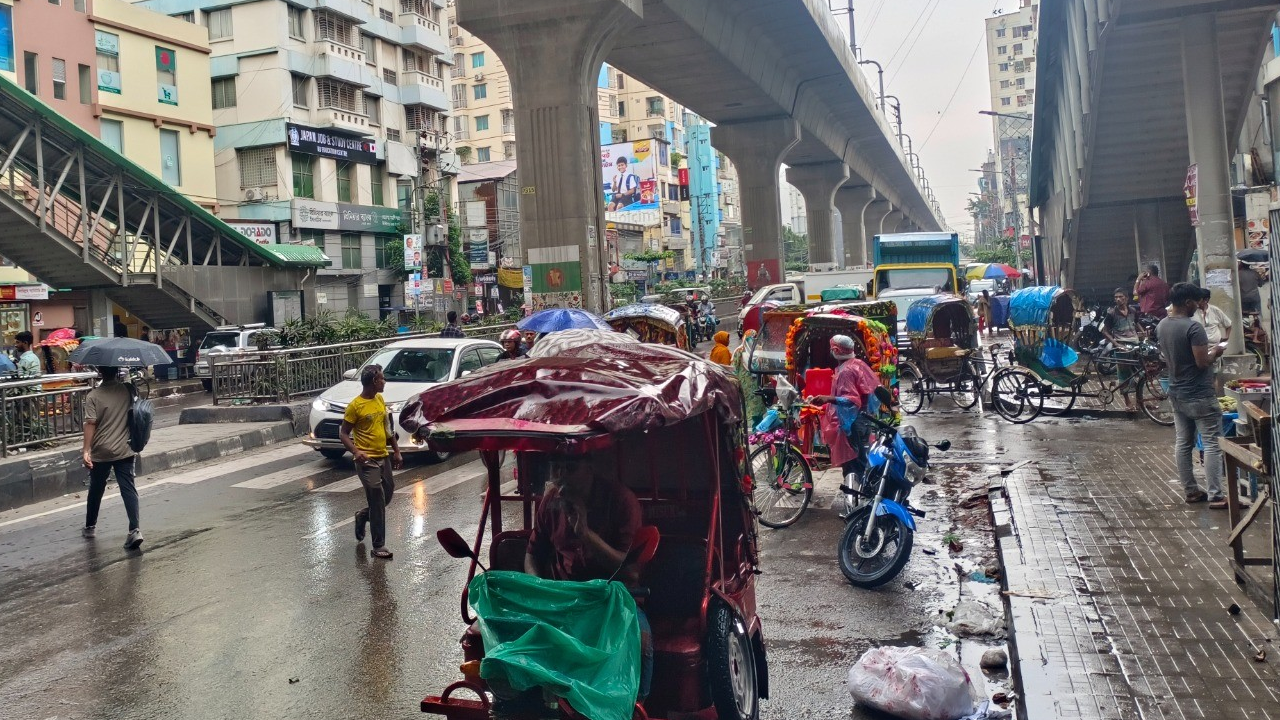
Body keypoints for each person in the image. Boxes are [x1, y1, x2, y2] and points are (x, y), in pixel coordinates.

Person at [524, 457, 649, 700]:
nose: (561, 474)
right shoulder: (550, 502)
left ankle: (636, 705)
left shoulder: (621, 501)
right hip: (565, 599)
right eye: (557, 467)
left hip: (614, 599)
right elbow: (531, 553)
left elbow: (631, 570)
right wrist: (540, 588)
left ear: (590, 469)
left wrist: (585, 533)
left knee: (641, 644)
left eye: (570, 468)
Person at [1157, 283, 1227, 508]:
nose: (1198, 306)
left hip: (1177, 391)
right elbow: (1201, 362)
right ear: (1187, 302)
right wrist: (1216, 351)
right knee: (1212, 444)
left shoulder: (1163, 325)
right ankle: (1216, 495)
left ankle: (1191, 490)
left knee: (1183, 443)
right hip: (1199, 394)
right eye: (1196, 302)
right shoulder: (1193, 328)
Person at [340, 365, 403, 560]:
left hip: (383, 456)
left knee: (387, 496)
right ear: (373, 382)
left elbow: (388, 429)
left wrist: (397, 452)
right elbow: (343, 433)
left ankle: (362, 516)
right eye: (382, 379)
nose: (384, 382)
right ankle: (378, 545)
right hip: (366, 461)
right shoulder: (355, 406)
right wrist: (356, 451)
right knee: (377, 498)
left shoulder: (380, 399)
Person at [82, 365, 143, 549]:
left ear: (100, 372)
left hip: (102, 450)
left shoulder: (93, 396)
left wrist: (86, 450)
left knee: (96, 488)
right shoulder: (128, 389)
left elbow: (90, 424)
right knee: (128, 488)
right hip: (125, 447)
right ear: (117, 370)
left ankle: (90, 526)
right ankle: (134, 530)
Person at [808, 335, 881, 482]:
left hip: (853, 422)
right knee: (860, 459)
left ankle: (856, 497)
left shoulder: (846, 371)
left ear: (836, 350)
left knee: (853, 464)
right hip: (863, 419)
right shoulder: (858, 364)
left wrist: (828, 398)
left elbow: (852, 400)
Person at [1103, 288, 1141, 412]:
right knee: (1123, 375)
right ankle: (1127, 402)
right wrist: (1115, 343)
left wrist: (1143, 332)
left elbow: (1136, 323)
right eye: (1116, 297)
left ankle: (1140, 401)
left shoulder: (1133, 311)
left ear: (1126, 298)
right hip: (1121, 346)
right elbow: (1105, 331)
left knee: (1140, 373)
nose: (1118, 299)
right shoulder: (1111, 313)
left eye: (1121, 297)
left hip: (1135, 344)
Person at [1193, 288, 1232, 394]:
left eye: (1199, 299)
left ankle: (1213, 396)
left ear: (1206, 300)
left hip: (1214, 347)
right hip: (1198, 348)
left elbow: (1228, 324)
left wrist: (1226, 337)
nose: (1196, 302)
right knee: (1200, 373)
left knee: (1213, 375)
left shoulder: (1215, 310)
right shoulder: (1192, 312)